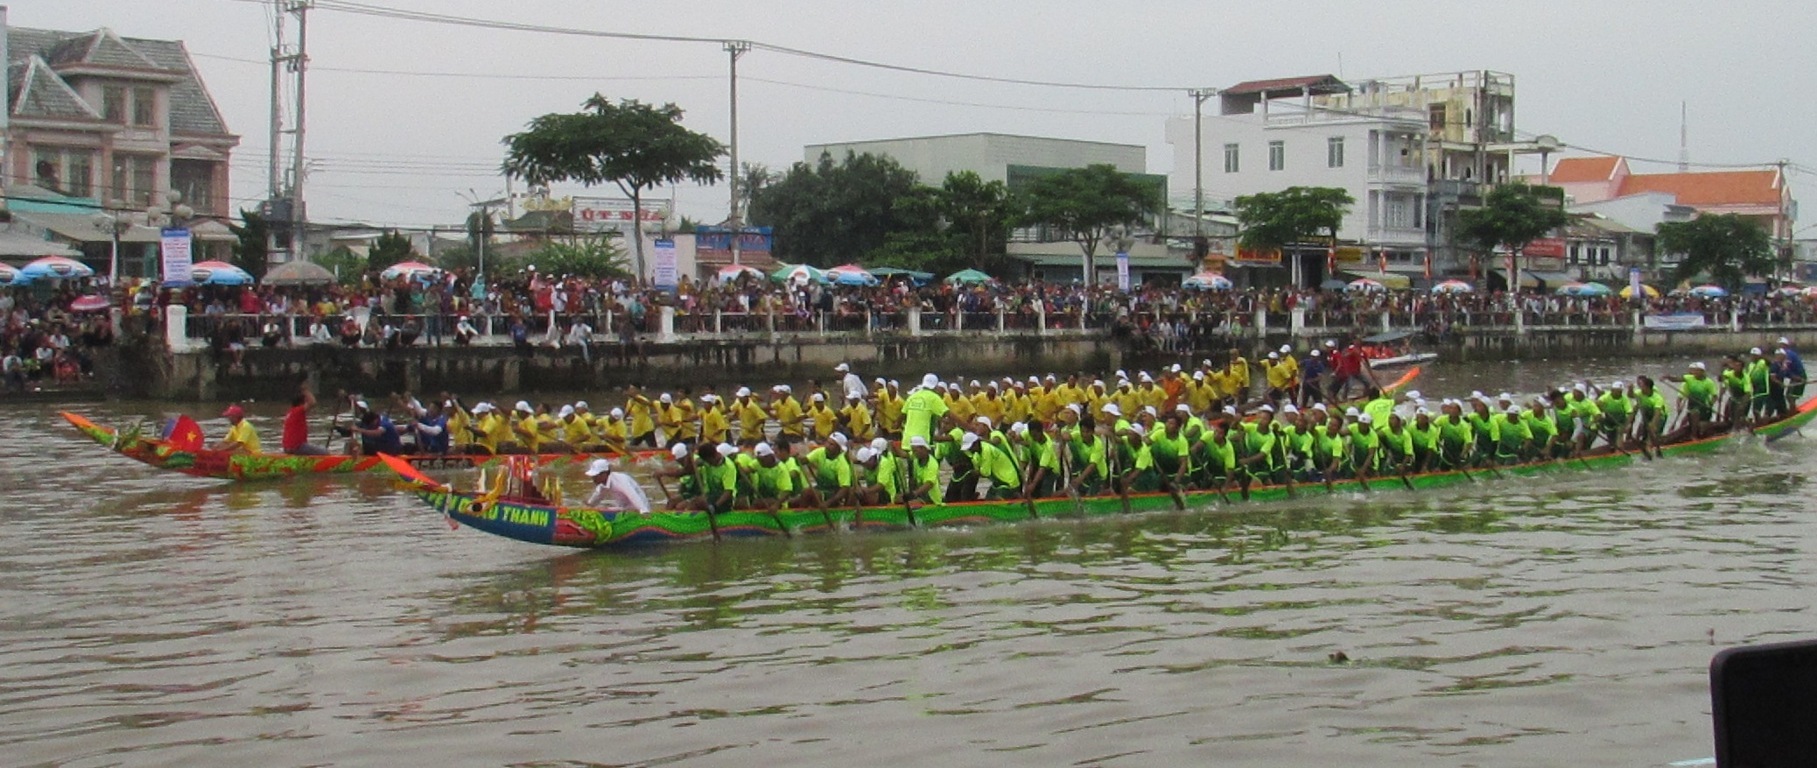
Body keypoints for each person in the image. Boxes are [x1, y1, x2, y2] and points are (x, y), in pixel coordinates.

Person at [584, 458, 652, 513]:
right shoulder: (602, 485)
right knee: (606, 508)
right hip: (624, 508)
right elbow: (597, 496)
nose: (593, 478)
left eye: (596, 476)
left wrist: (644, 511)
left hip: (639, 507)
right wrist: (589, 505)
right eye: (593, 476)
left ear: (605, 473)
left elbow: (633, 495)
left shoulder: (620, 480)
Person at [901, 373, 949, 444]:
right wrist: (969, 427)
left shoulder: (911, 397)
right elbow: (948, 415)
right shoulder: (934, 398)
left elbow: (901, 418)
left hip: (907, 440)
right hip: (922, 441)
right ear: (935, 386)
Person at [281, 386, 329, 455]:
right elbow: (312, 402)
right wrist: (305, 390)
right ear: (301, 403)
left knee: (313, 447)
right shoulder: (298, 411)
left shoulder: (290, 413)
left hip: (287, 448)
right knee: (325, 452)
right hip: (297, 447)